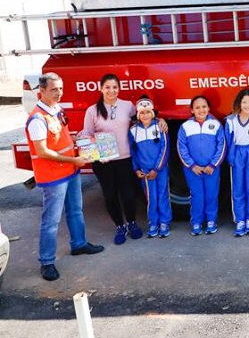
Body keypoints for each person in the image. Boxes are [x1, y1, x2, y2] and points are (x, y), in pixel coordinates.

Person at [26, 73, 104, 281]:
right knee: (50, 221)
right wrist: (73, 161)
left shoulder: (57, 110)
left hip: (70, 171)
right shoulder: (37, 119)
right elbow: (42, 151)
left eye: (60, 88)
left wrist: (79, 141)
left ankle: (79, 244)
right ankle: (47, 262)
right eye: (53, 90)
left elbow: (61, 138)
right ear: (40, 92)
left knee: (75, 210)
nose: (59, 93)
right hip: (54, 176)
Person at [81, 73, 144, 245]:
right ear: (101, 88)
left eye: (115, 87)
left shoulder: (127, 106)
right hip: (104, 163)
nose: (111, 90)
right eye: (107, 87)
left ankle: (132, 223)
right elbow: (87, 133)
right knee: (110, 196)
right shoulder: (92, 110)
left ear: (119, 89)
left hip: (125, 159)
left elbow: (143, 119)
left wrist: (160, 121)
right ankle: (119, 226)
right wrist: (95, 154)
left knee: (129, 195)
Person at [177, 95, 226, 236]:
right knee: (197, 196)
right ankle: (197, 222)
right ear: (192, 110)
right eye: (197, 107)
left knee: (211, 195)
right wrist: (192, 166)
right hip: (193, 170)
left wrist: (213, 165)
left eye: (204, 107)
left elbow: (221, 146)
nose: (201, 110)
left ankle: (211, 221)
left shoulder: (216, 125)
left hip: (212, 169)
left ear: (209, 108)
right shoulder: (185, 126)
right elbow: (182, 148)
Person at [129, 96, 172, 238]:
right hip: (145, 172)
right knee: (150, 198)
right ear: (138, 114)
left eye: (148, 112)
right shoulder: (133, 130)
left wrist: (157, 169)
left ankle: (164, 222)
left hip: (159, 170)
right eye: (142, 112)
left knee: (162, 195)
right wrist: (136, 169)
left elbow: (165, 148)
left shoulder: (160, 126)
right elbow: (133, 151)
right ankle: (153, 222)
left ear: (152, 113)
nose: (145, 115)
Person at [224, 89, 249, 237]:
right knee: (238, 187)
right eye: (244, 102)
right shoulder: (231, 120)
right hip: (237, 154)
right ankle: (240, 219)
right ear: (239, 103)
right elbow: (228, 141)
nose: (247, 105)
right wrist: (231, 157)